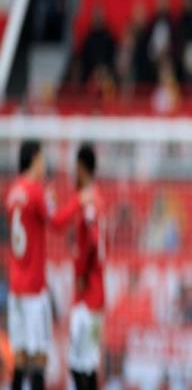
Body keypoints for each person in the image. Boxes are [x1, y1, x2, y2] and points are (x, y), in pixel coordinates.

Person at [5, 141, 91, 390]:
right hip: (34, 288)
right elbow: (57, 222)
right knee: (39, 356)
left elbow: (33, 220)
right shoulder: (35, 191)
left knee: (20, 355)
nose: (44, 164)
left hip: (16, 288)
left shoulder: (12, 192)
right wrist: (78, 200)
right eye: (42, 159)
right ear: (34, 159)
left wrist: (48, 202)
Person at [56, 145, 105, 390]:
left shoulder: (88, 201)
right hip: (94, 297)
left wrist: (83, 272)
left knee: (78, 364)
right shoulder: (96, 198)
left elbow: (94, 240)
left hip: (88, 297)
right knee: (87, 363)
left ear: (80, 168)